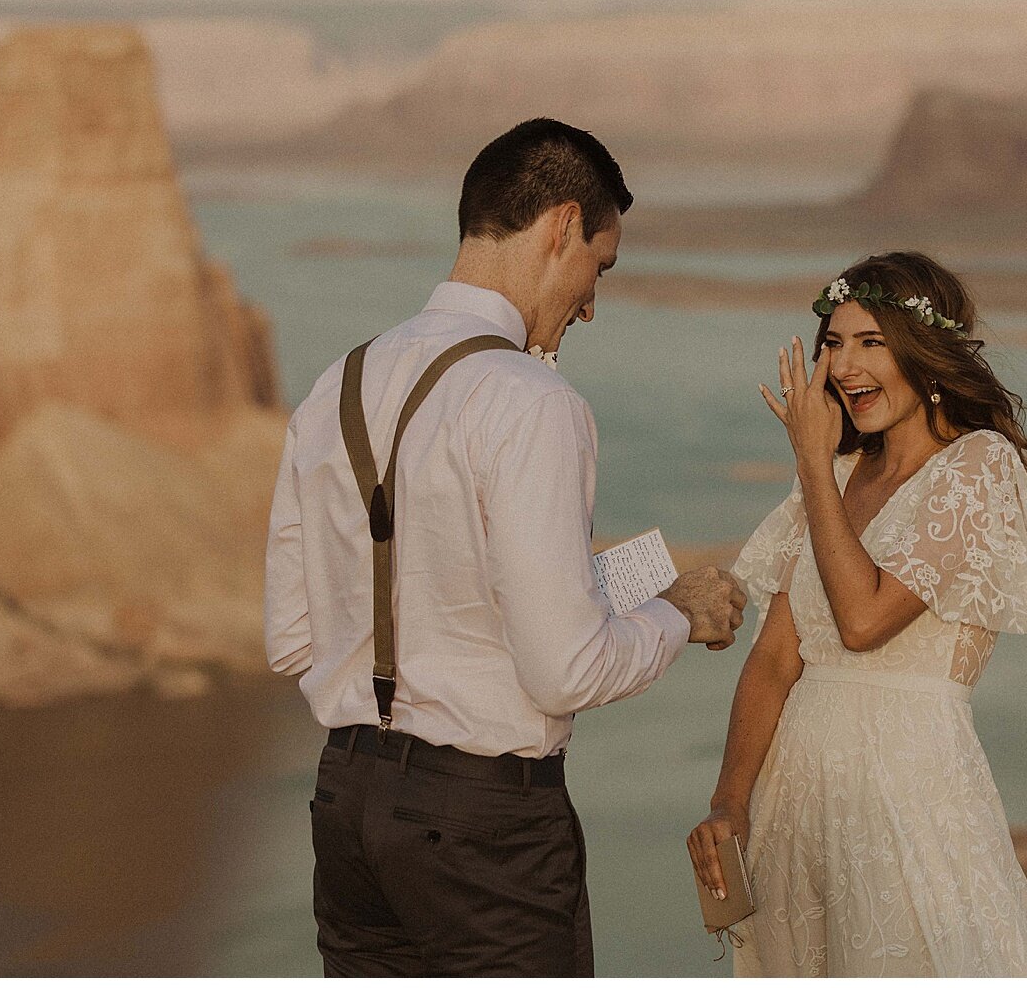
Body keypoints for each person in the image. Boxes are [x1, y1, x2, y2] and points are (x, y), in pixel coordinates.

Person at [265, 117, 746, 977]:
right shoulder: (532, 401)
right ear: (561, 225)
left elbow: (293, 639)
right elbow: (566, 671)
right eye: (599, 266)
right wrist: (678, 614)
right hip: (487, 830)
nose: (592, 302)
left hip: (346, 806)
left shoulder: (332, 385)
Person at [687, 251, 1027, 976]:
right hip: (796, 806)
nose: (843, 364)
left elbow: (863, 621)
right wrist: (730, 801)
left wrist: (810, 463)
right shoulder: (836, 477)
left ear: (925, 353)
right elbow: (775, 660)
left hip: (907, 801)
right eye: (833, 342)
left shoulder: (977, 466)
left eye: (871, 341)